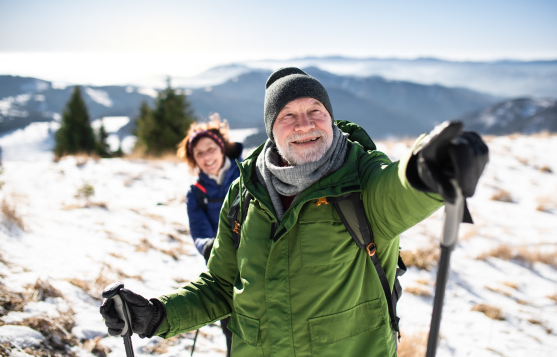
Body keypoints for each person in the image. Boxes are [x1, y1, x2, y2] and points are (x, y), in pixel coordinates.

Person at [100, 67, 489, 356]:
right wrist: (157, 315)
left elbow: (399, 190)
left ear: (331, 118)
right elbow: (221, 286)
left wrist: (428, 170)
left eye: (316, 110)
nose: (305, 124)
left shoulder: (361, 179)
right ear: (272, 129)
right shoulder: (245, 194)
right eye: (288, 115)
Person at [176, 113, 243, 356]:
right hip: (223, 269)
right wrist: (211, 247)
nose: (206, 157)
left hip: (256, 260)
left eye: (210, 149)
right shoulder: (196, 193)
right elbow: (199, 232)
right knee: (232, 329)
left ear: (221, 147)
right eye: (199, 153)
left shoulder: (247, 175)